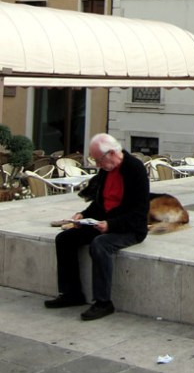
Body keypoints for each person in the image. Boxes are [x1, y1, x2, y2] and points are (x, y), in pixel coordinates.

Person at [44, 133, 149, 321]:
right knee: (65, 238)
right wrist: (83, 215)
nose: (97, 165)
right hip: (104, 222)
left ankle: (103, 302)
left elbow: (139, 212)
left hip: (129, 228)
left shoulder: (135, 169)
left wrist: (111, 225)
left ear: (111, 153)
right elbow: (100, 204)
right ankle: (71, 294)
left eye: (98, 160)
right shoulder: (106, 169)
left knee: (101, 245)